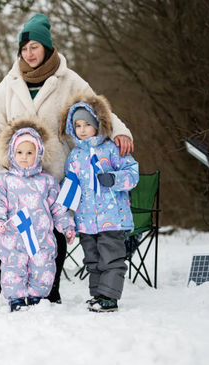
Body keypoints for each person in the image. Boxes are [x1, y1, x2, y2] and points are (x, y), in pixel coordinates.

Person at [0, 13, 134, 308]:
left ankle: (49, 289)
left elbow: (96, 109)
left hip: (54, 171)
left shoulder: (69, 80)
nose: (29, 53)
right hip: (14, 172)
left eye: (34, 47)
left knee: (53, 231)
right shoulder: (9, 83)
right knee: (3, 230)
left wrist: (120, 132)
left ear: (47, 48)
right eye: (24, 49)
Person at [0, 118, 75, 312]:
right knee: (13, 269)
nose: (24, 157)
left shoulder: (47, 181)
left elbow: (58, 207)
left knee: (43, 268)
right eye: (19, 152)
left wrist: (67, 226)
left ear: (38, 154)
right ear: (12, 153)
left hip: (41, 238)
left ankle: (37, 297)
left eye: (29, 152)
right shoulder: (4, 180)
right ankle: (16, 299)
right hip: (13, 238)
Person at [61, 93, 139, 312]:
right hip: (86, 220)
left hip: (113, 218)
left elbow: (132, 173)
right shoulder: (75, 156)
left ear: (98, 124)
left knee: (111, 257)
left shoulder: (112, 148)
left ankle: (110, 297)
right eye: (78, 125)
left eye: (87, 124)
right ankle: (98, 294)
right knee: (92, 260)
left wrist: (115, 179)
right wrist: (65, 207)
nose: (82, 129)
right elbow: (70, 184)